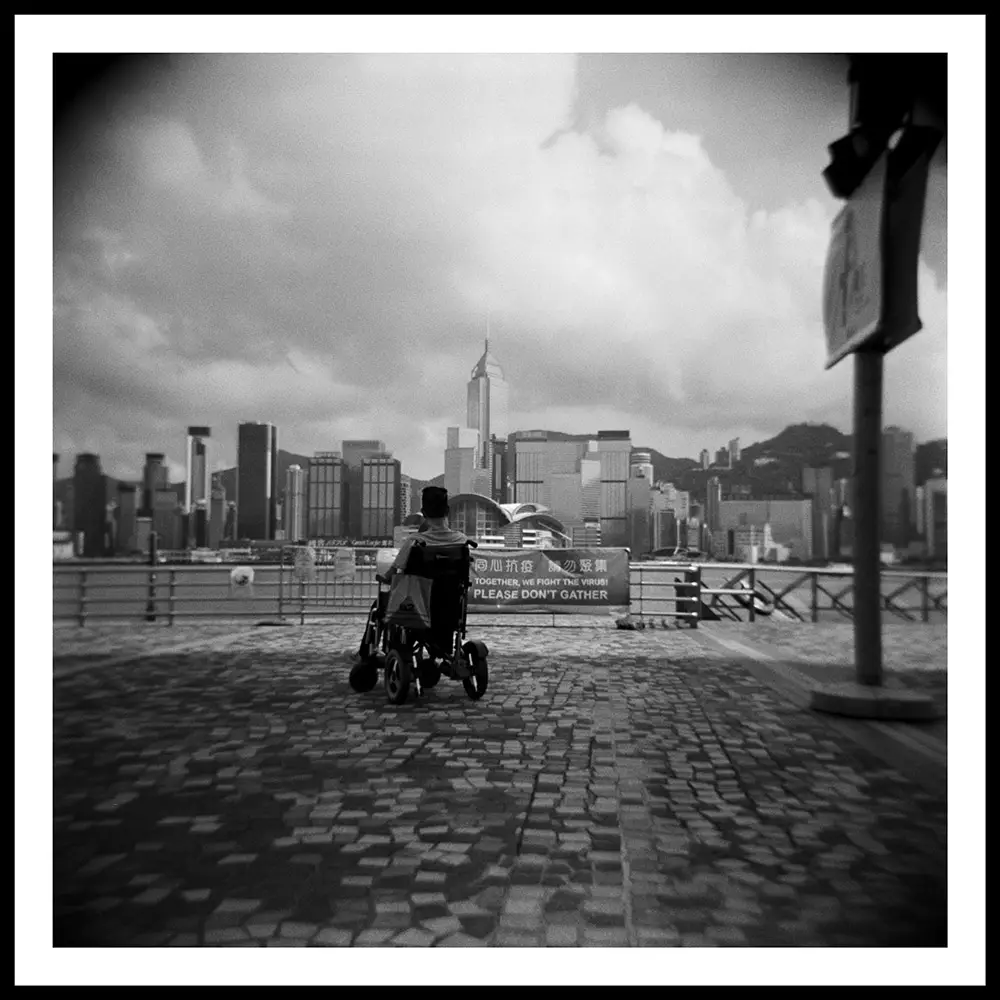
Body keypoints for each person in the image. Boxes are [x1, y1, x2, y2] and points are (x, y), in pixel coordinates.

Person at [382, 486, 468, 582]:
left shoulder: (414, 541)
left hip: (420, 595)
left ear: (423, 512)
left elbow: (390, 574)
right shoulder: (462, 540)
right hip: (453, 595)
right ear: (447, 511)